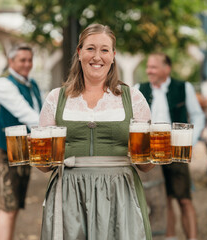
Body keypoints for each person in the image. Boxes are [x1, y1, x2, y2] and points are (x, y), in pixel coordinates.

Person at [38, 23, 154, 239]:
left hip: (120, 193)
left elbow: (145, 167)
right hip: (69, 194)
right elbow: (45, 166)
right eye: (90, 48)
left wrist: (154, 154)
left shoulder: (133, 98)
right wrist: (36, 155)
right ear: (79, 52)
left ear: (113, 55)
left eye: (104, 49)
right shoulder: (56, 98)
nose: (97, 56)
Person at [136, 53, 205, 240]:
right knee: (162, 199)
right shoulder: (139, 89)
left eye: (153, 67)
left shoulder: (183, 87)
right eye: (148, 67)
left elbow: (198, 116)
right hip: (151, 153)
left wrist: (189, 141)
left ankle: (192, 238)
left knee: (184, 198)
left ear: (167, 69)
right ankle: (170, 237)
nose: (149, 71)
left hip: (176, 150)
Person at [0, 45, 43, 240]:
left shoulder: (32, 83)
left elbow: (39, 111)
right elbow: (26, 114)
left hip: (22, 148)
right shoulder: (3, 84)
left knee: (16, 203)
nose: (27, 64)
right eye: (22, 60)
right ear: (11, 62)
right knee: (7, 205)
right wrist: (51, 129)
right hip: (2, 148)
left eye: (29, 60)